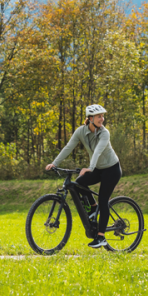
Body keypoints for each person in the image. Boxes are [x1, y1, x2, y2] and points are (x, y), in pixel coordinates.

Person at [45, 104, 121, 249]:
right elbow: (68, 147)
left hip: (112, 169)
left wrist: (89, 168)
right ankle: (93, 209)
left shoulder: (105, 133)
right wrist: (54, 163)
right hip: (98, 169)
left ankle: (101, 237)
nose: (102, 119)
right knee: (79, 183)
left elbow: (98, 151)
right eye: (99, 116)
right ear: (90, 118)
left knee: (103, 199)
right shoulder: (81, 131)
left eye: (102, 116)